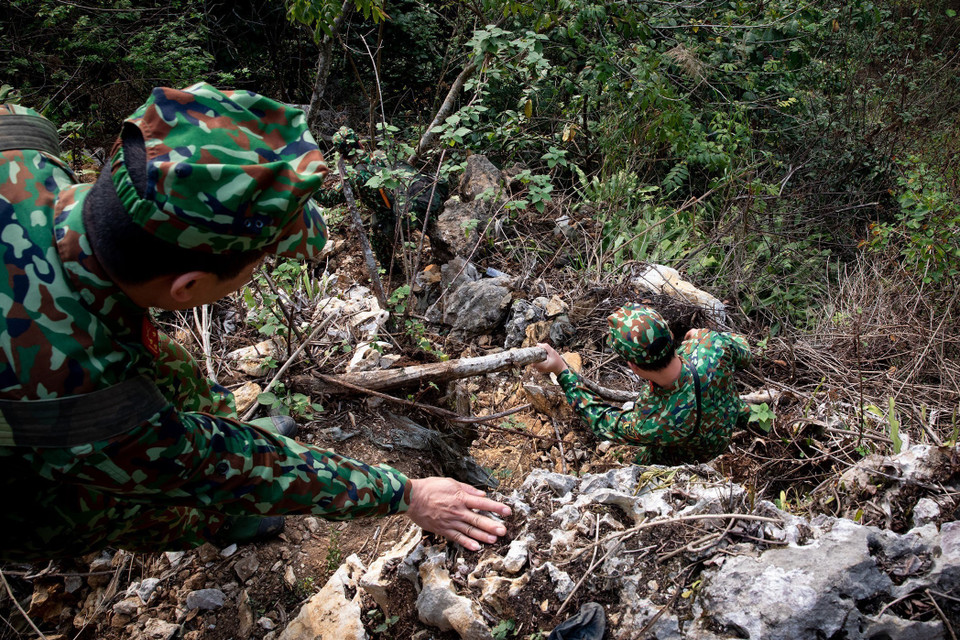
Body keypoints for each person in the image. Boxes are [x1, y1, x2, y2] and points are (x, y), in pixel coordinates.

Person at [0, 83, 509, 562]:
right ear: (189, 287)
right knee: (105, 504)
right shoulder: (78, 391)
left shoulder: (20, 149)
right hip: (29, 460)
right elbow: (215, 466)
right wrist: (406, 494)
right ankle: (217, 519)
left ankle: (222, 422)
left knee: (165, 360)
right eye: (258, 262)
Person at [532, 304, 751, 464]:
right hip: (725, 425)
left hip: (687, 463)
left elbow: (603, 422)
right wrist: (701, 337)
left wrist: (561, 370)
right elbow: (744, 350)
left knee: (638, 467)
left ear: (633, 367)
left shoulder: (657, 420)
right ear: (670, 335)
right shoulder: (711, 346)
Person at [316, 126, 447, 269]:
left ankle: (391, 270)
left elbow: (328, 199)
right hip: (419, 203)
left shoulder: (353, 177)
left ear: (342, 155)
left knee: (376, 234)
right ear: (360, 143)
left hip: (396, 218)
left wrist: (308, 186)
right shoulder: (381, 154)